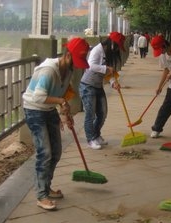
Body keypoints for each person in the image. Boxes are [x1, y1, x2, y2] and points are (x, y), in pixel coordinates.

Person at [22, 37, 90, 210]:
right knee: (45, 153)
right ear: (67, 55)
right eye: (76, 60)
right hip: (34, 109)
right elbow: (38, 96)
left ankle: (46, 187)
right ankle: (41, 195)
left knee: (56, 152)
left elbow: (64, 91)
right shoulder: (49, 71)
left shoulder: (67, 70)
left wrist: (65, 112)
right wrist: (60, 102)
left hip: (49, 109)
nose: (77, 65)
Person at [79, 32, 125, 150]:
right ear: (112, 43)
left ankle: (96, 135)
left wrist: (113, 82)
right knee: (90, 114)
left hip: (98, 86)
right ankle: (90, 139)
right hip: (87, 86)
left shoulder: (108, 53)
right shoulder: (97, 50)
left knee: (102, 113)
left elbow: (109, 73)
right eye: (118, 45)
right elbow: (90, 65)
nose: (118, 49)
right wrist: (106, 68)